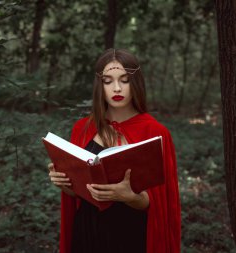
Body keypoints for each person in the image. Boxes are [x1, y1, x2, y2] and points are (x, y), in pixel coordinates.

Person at [48, 48, 181, 253]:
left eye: (124, 80)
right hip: (87, 233)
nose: (116, 88)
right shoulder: (83, 128)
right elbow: (77, 194)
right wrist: (64, 182)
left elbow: (161, 205)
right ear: (100, 85)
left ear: (135, 83)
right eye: (108, 81)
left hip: (130, 234)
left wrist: (130, 197)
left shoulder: (156, 132)